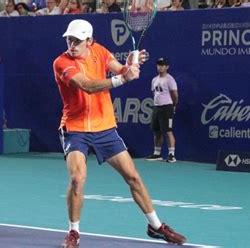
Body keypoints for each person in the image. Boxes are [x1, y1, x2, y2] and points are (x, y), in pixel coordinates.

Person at [53, 19, 186, 248]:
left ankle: (155, 226)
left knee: (133, 177)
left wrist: (130, 66)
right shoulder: (62, 62)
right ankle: (73, 232)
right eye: (69, 39)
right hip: (75, 129)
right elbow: (88, 86)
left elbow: (121, 70)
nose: (71, 44)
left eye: (76, 40)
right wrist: (123, 78)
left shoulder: (100, 51)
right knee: (77, 179)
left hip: (104, 127)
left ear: (89, 41)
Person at [145, 58, 179, 163]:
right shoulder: (154, 80)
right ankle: (157, 154)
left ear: (167, 67)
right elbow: (154, 93)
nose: (160, 67)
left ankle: (171, 155)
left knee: (168, 131)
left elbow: (175, 95)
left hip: (167, 107)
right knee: (157, 131)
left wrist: (173, 105)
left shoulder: (170, 79)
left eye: (162, 65)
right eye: (158, 65)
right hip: (157, 107)